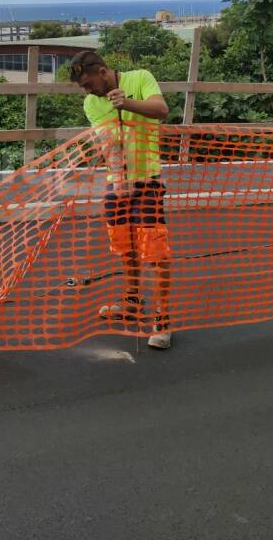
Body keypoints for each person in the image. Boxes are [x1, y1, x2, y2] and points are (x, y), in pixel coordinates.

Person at [68, 50, 173, 349]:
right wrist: (119, 177)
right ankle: (131, 302)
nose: (87, 91)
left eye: (89, 84)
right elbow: (107, 144)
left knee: (155, 252)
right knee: (124, 247)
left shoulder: (141, 78)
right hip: (118, 183)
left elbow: (160, 109)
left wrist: (126, 103)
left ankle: (163, 319)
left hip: (148, 180)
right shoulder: (91, 103)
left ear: (102, 72)